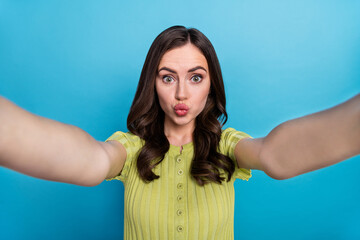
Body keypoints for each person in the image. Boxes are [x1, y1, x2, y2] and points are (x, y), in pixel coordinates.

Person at [0, 25, 359, 240]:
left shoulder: (227, 146)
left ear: (210, 86)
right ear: (152, 84)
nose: (182, 94)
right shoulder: (130, 149)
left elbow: (277, 155)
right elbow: (89, 161)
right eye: (168, 77)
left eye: (196, 77)